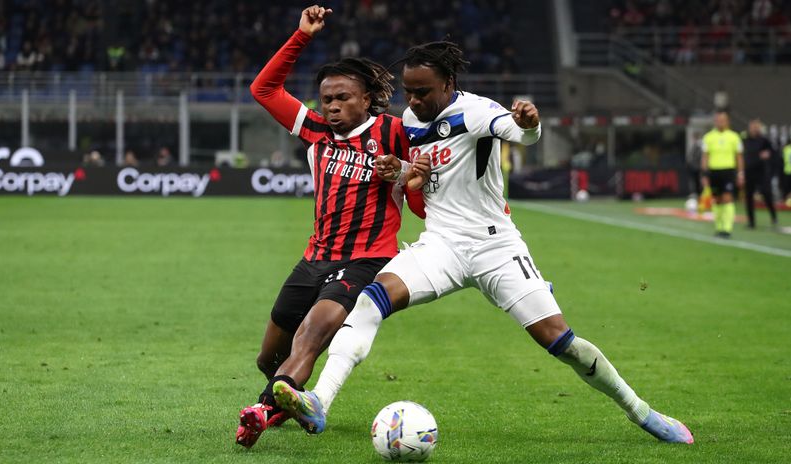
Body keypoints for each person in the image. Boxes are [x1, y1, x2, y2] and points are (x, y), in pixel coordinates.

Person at [272, 40, 694, 445]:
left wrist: (530, 123)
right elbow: (424, 180)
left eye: (422, 92)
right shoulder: (414, 121)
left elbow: (517, 131)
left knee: (560, 341)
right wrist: (399, 170)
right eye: (408, 92)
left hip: (496, 248)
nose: (413, 102)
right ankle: (318, 402)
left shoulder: (475, 111)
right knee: (370, 300)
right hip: (441, 244)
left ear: (448, 84)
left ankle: (642, 412)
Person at [236, 5, 429, 449]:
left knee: (312, 334)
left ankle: (262, 412)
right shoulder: (317, 131)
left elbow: (420, 200)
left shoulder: (397, 132)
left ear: (367, 99)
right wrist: (301, 35)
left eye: (344, 98)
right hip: (313, 258)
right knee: (269, 356)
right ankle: (286, 398)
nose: (335, 106)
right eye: (328, 99)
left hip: (366, 259)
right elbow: (263, 89)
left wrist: (402, 173)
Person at [701, 111, 744, 238]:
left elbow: (739, 157)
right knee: (717, 200)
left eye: (722, 120)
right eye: (718, 120)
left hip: (728, 171)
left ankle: (727, 228)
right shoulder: (708, 137)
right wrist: (704, 174)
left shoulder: (734, 137)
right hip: (714, 172)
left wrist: (741, 173)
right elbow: (705, 156)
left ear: (727, 121)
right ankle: (719, 227)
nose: (720, 122)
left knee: (727, 198)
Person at [742, 119, 778, 228]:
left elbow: (774, 153)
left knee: (766, 194)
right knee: (748, 197)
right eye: (752, 126)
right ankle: (751, 222)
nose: (754, 129)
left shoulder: (764, 140)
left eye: (756, 126)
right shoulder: (745, 140)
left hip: (761, 172)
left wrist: (768, 155)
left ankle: (773, 216)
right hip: (749, 171)